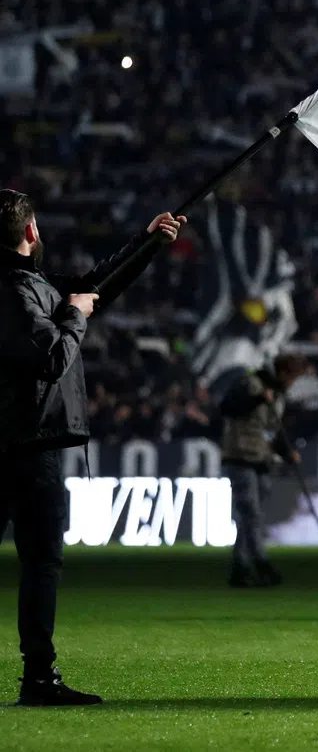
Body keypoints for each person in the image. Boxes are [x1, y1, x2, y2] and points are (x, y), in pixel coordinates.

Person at [0, 189, 185, 706]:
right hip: (27, 444)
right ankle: (39, 678)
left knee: (40, 563)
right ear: (30, 232)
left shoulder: (25, 285)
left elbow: (92, 288)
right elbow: (54, 356)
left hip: (19, 441)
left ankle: (39, 675)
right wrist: (76, 315)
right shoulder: (15, 291)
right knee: (41, 563)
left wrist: (146, 244)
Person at [219, 352, 306, 587]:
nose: (293, 383)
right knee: (251, 513)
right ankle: (260, 562)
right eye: (293, 377)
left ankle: (240, 566)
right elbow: (227, 407)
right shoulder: (251, 384)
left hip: (261, 459)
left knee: (249, 516)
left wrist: (286, 452)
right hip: (239, 456)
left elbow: (271, 430)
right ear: (284, 372)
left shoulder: (277, 396)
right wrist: (257, 399)